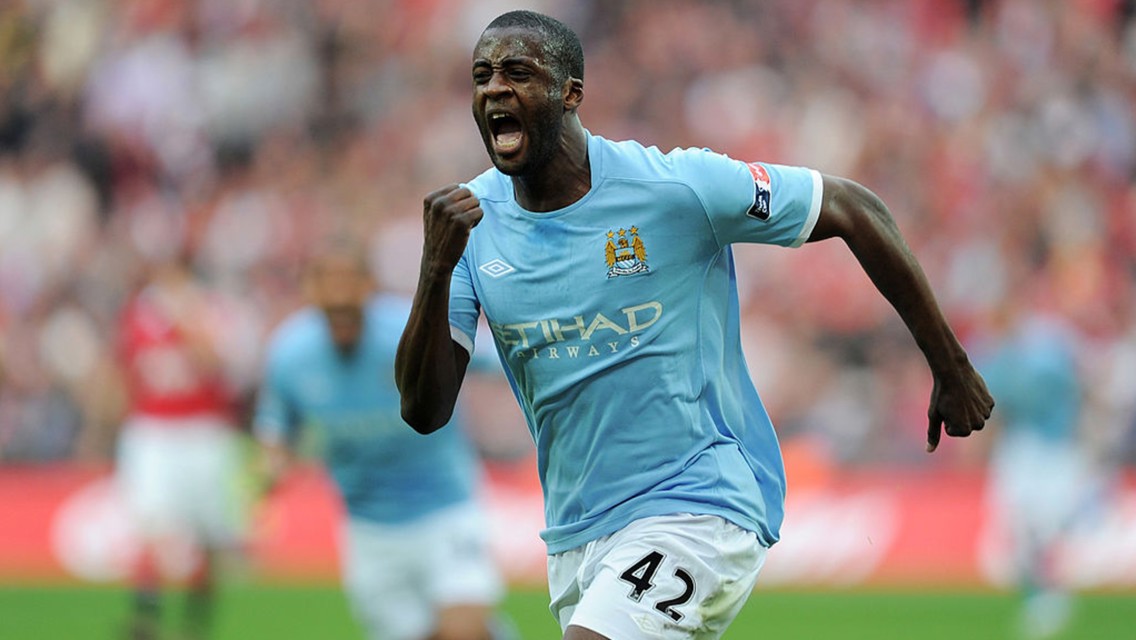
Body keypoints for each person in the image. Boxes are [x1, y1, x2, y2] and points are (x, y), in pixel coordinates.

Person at [395, 10, 995, 640]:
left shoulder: (675, 187)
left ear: (571, 92)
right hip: (576, 532)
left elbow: (851, 205)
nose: (494, 89)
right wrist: (435, 270)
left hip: (701, 503)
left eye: (517, 72)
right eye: (482, 75)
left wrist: (949, 365)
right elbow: (424, 410)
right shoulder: (467, 226)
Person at [253, 238, 512, 640]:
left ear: (369, 286)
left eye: (348, 282)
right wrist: (272, 466)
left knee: (462, 631)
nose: (338, 294)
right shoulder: (290, 354)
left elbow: (498, 356)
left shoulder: (410, 330)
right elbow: (274, 429)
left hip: (445, 508)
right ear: (310, 290)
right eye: (326, 282)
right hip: (369, 529)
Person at [114, 257, 249, 640]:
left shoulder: (213, 313)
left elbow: (221, 367)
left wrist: (187, 322)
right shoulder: (137, 315)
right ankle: (145, 619)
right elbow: (127, 373)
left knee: (209, 532)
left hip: (205, 432)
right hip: (154, 430)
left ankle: (195, 624)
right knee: (151, 523)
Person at [976, 294, 1088, 639]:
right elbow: (990, 409)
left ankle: (1053, 597)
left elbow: (1075, 389)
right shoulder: (995, 357)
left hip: (1054, 449)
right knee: (1021, 529)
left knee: (1047, 530)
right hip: (1021, 448)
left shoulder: (1047, 352)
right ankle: (1037, 597)